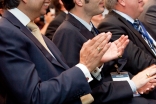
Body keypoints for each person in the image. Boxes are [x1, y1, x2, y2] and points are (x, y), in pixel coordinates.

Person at [0, 0, 127, 103]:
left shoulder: (31, 30)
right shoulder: (6, 31)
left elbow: (60, 77)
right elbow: (34, 97)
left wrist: (94, 64)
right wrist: (85, 66)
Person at [52, 0, 156, 103]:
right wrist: (132, 85)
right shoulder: (66, 32)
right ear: (79, 1)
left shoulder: (89, 28)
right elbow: (78, 89)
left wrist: (135, 83)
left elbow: (107, 74)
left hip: (113, 91)